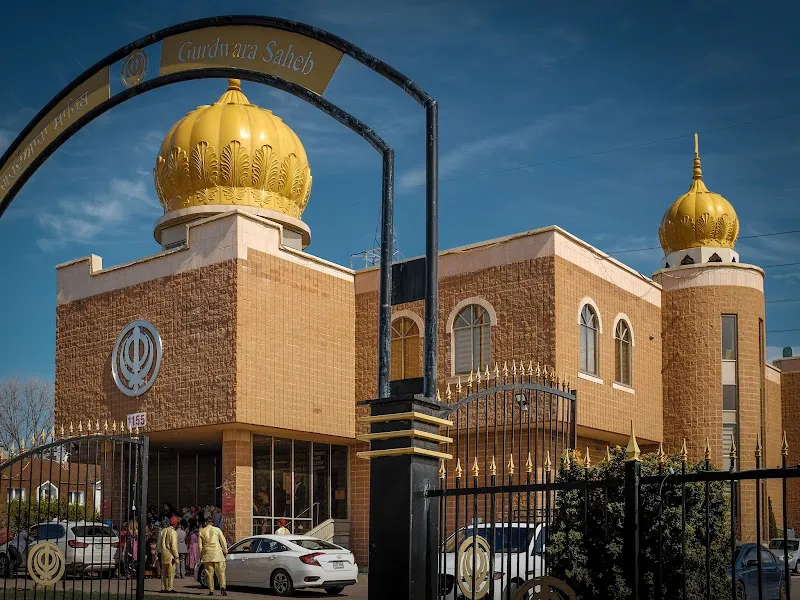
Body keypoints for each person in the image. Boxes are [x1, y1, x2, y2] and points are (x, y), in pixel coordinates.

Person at [198, 516, 228, 596]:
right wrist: (225, 551)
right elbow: (223, 540)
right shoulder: (217, 529)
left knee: (209, 573)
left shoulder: (202, 531)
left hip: (207, 554)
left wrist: (201, 554)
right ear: (212, 523)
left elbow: (200, 546)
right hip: (217, 553)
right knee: (221, 572)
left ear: (206, 522)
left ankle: (211, 590)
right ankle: (223, 587)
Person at [160, 516, 179, 593]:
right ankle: (170, 588)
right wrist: (176, 555)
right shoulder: (173, 532)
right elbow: (173, 546)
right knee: (171, 572)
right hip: (170, 554)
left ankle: (163, 587)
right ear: (175, 524)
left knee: (163, 572)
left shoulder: (163, 531)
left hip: (164, 553)